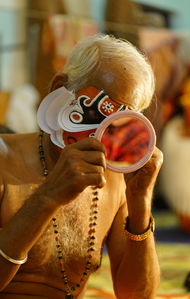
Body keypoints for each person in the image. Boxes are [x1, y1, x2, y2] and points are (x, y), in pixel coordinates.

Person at [0, 34, 163, 299]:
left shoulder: (116, 182)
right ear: (58, 89)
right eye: (100, 110)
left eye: (122, 122)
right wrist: (48, 195)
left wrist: (140, 202)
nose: (103, 131)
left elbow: (137, 295)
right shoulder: (3, 158)